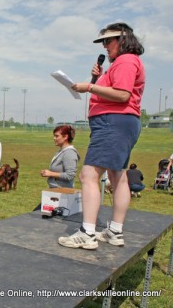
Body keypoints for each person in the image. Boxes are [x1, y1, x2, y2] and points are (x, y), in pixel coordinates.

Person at [59, 22, 145, 250]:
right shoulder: (122, 63)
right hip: (121, 123)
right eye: (103, 42)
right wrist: (98, 79)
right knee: (118, 176)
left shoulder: (126, 60)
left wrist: (90, 87)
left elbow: (123, 95)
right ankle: (114, 231)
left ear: (123, 39)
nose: (105, 47)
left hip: (113, 123)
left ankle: (87, 233)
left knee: (88, 175)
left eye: (109, 41)